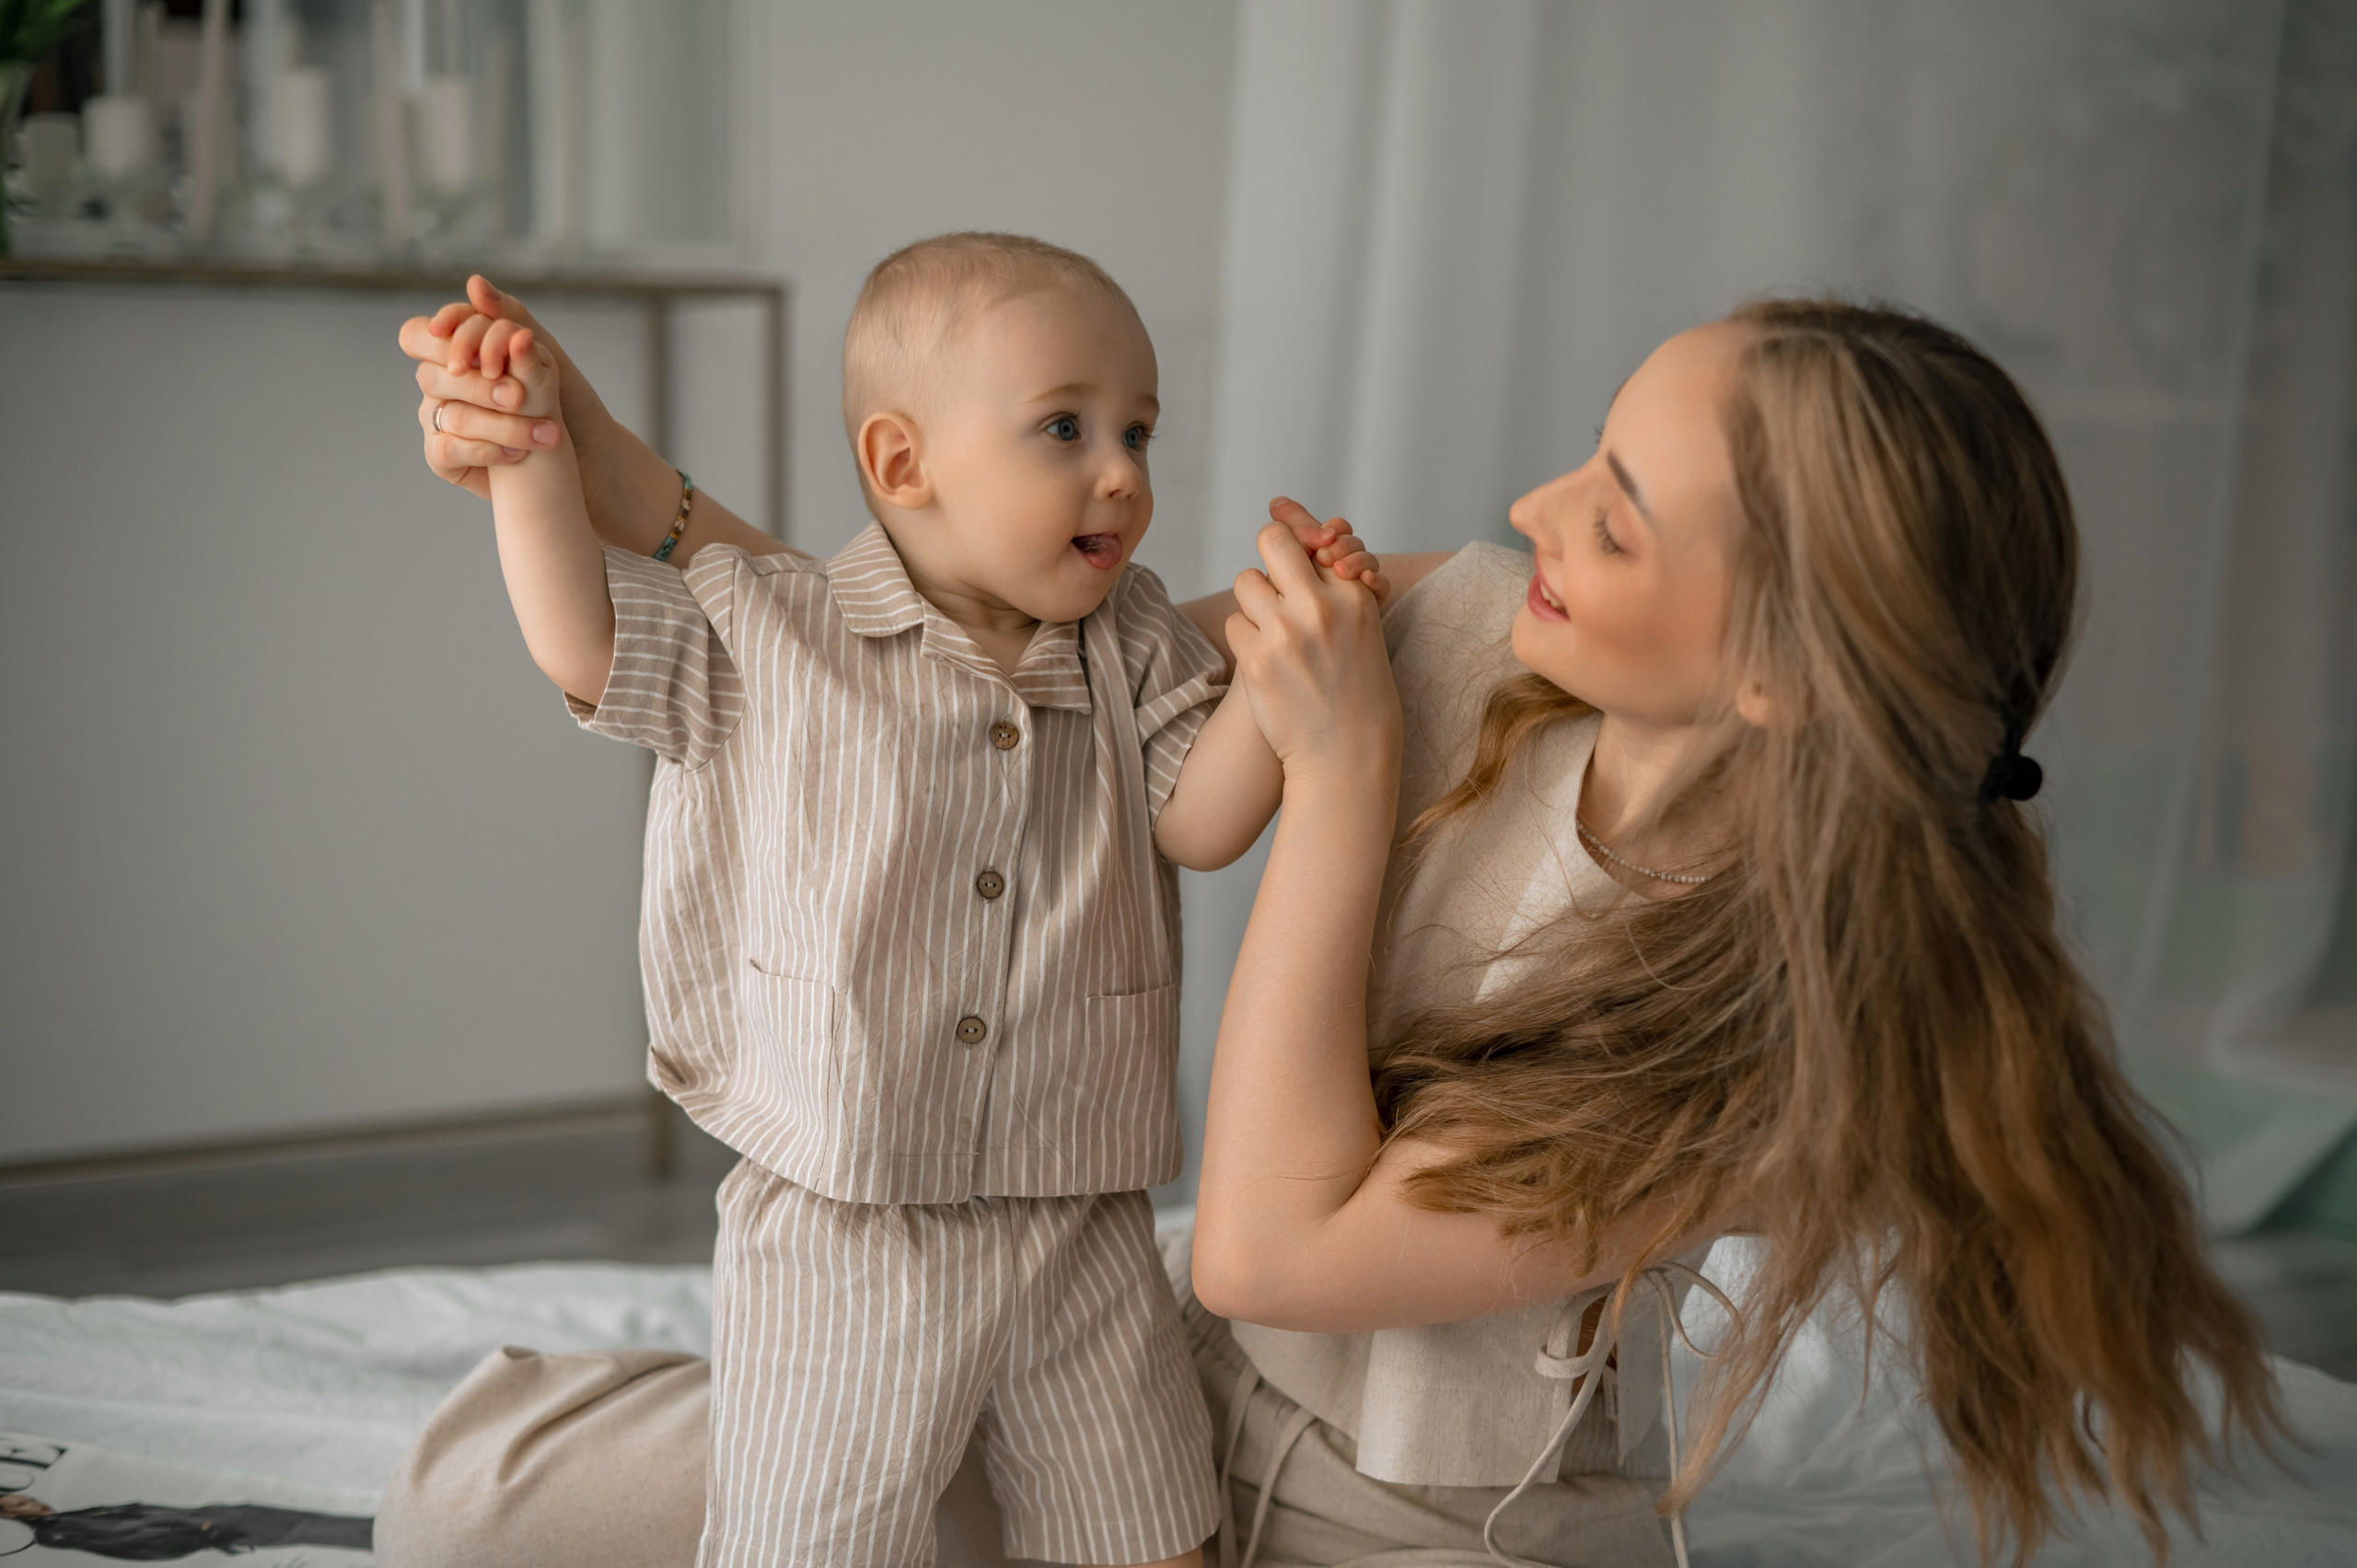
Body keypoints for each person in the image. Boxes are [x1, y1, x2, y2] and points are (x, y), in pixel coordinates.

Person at [386, 290, 2280, 1568]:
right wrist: (585, 452)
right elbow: (943, 654)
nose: (1536, 503)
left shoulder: (1771, 1023)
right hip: (1162, 1401)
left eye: (1613, 514)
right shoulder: (1463, 613)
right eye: (1587, 451)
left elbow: (1272, 1249)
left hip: (1405, 1527)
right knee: (490, 1498)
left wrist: (1342, 782)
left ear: (1781, 667)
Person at [414, 234, 1381, 1568]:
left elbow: (1203, 820)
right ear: (902, 462)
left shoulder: (1136, 643)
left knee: (1154, 1536)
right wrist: (532, 467)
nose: (1124, 471)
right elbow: (583, 635)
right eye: (1066, 427)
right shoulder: (775, 625)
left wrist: (1292, 670)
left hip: (1079, 1210)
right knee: (816, 1536)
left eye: (1141, 431)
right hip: (847, 1227)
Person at [0, 1492, 372, 1559]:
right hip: (213, 1527)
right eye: (22, 1503)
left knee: (316, 1522)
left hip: (220, 1516)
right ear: (9, 1515)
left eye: (28, 1497)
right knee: (310, 1531)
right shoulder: (58, 1533)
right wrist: (200, 1533)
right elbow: (132, 1543)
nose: (33, 1501)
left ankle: (382, 1528)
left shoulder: (76, 1515)